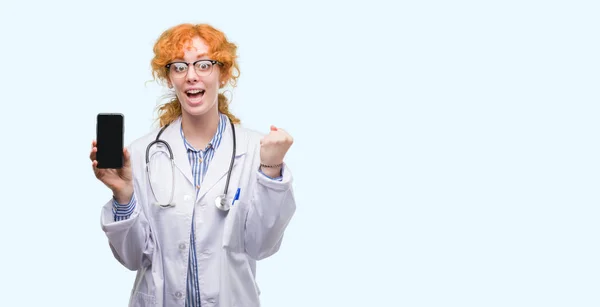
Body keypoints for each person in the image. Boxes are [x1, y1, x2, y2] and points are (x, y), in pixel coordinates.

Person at [89, 23, 297, 307]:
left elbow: (261, 246)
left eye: (203, 65)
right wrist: (122, 194)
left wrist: (271, 170)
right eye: (179, 67)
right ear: (169, 78)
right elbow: (132, 258)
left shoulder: (257, 151)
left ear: (222, 74)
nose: (191, 76)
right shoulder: (140, 154)